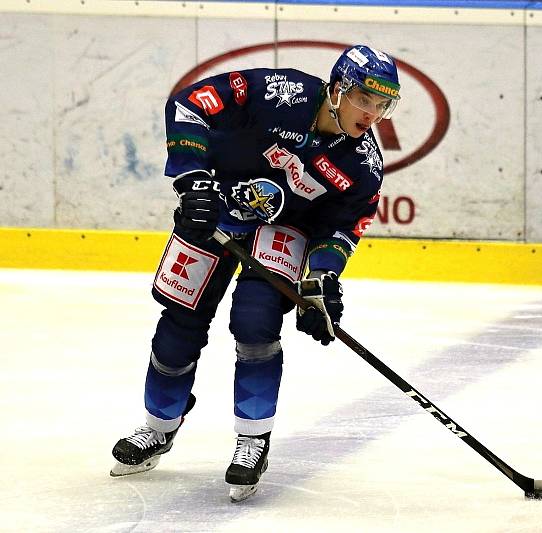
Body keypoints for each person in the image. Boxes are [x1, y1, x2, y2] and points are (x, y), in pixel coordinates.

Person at [110, 45, 401, 502]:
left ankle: (252, 439)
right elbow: (190, 103)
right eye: (366, 98)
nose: (373, 114)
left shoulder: (362, 165)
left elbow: (344, 227)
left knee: (255, 325)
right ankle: (159, 426)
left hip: (284, 230)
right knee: (178, 326)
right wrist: (193, 183)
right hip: (216, 211)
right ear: (340, 88)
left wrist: (321, 279)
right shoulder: (280, 92)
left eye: (384, 105)